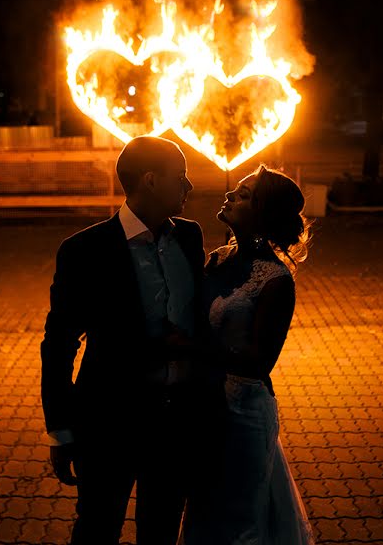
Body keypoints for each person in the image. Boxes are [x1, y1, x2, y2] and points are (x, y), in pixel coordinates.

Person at [40, 135, 224, 545]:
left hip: (176, 421)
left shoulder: (190, 237)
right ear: (150, 180)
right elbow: (58, 345)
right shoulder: (84, 250)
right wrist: (61, 430)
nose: (190, 187)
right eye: (181, 177)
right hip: (109, 419)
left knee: (160, 530)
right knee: (97, 528)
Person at [179, 164, 316, 545]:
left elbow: (259, 363)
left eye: (242, 195)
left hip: (244, 412)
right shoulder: (218, 258)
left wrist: (190, 349)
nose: (229, 196)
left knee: (241, 517)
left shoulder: (275, 280)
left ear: (262, 212)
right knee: (204, 510)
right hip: (206, 405)